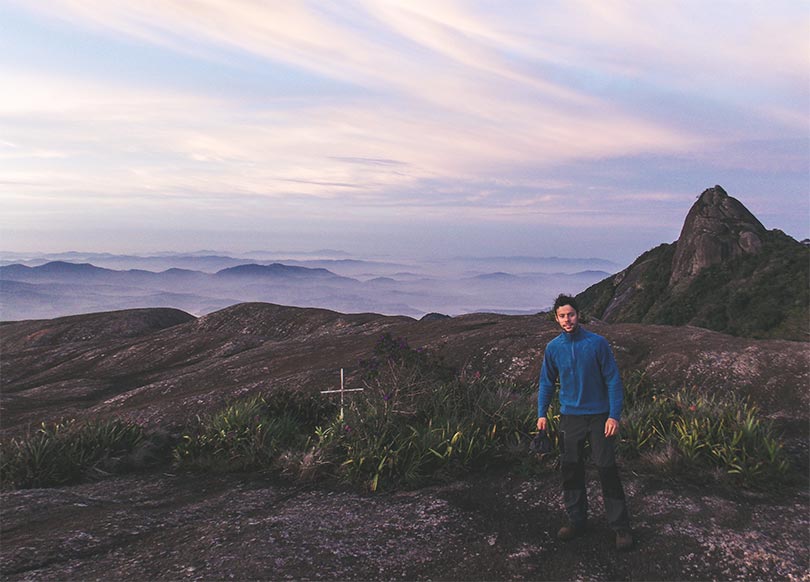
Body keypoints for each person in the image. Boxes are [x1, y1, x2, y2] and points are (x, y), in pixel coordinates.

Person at [537, 294, 633, 551]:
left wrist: (614, 415)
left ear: (578, 314)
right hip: (570, 417)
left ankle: (620, 527)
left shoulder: (597, 343)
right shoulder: (553, 348)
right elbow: (546, 382)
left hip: (600, 416)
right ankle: (576, 521)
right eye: (562, 316)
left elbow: (613, 380)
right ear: (556, 318)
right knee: (571, 469)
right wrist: (541, 413)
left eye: (571, 314)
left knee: (606, 468)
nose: (567, 320)